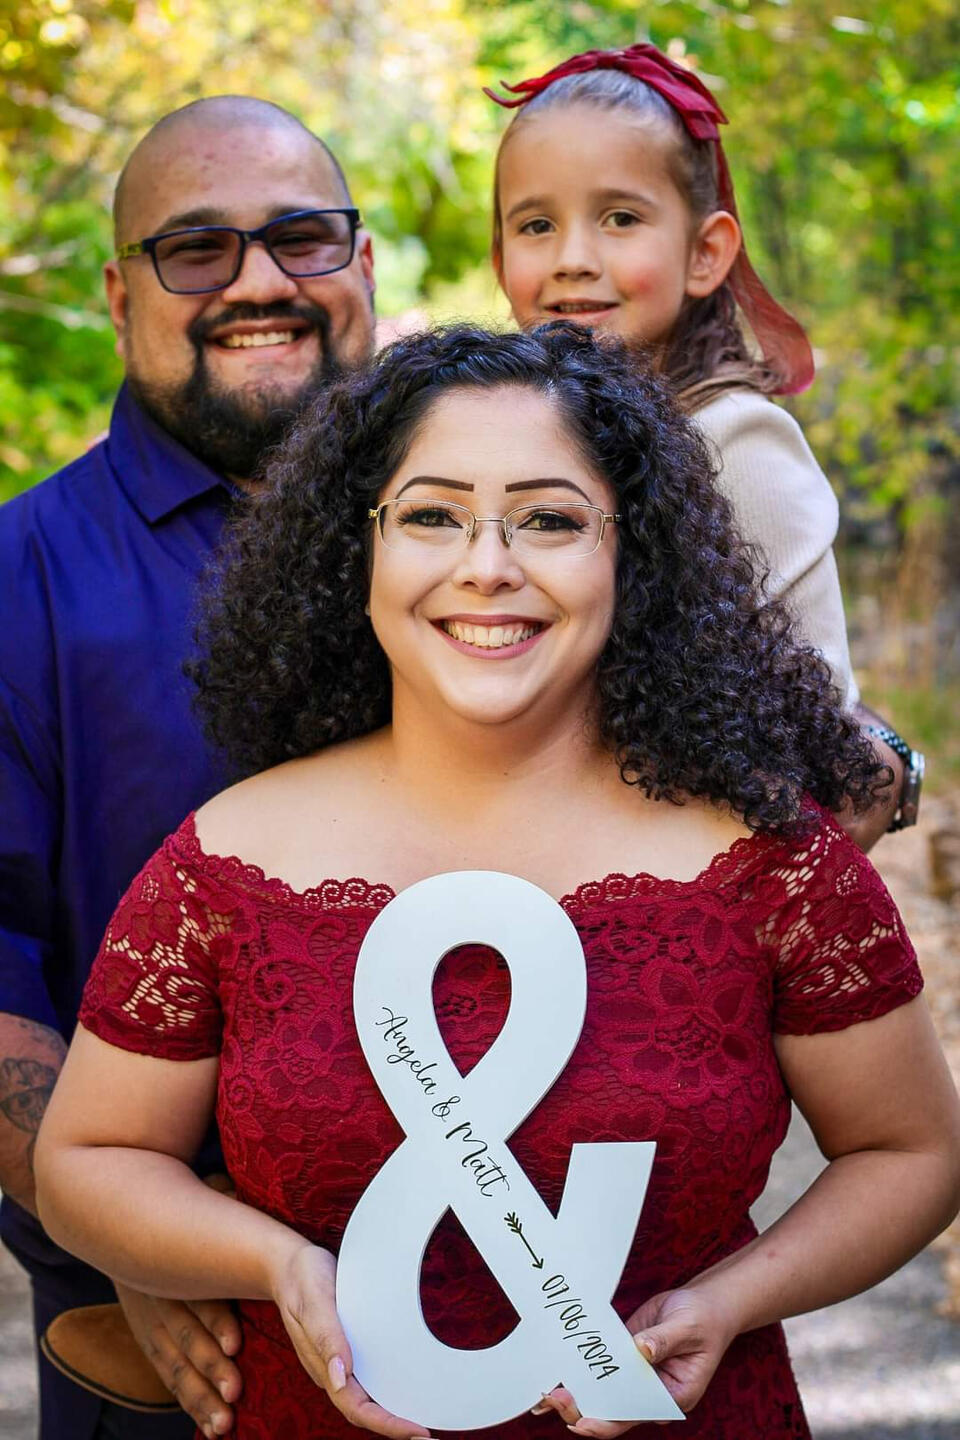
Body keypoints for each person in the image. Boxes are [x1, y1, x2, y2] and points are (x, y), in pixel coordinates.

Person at [33, 324, 960, 1440]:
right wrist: (271, 1262)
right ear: (357, 548)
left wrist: (729, 1303)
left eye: (550, 520)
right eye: (431, 516)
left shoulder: (774, 859)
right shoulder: (222, 863)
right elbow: (89, 1161)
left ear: (632, 555)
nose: (487, 565)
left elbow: (912, 1151)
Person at [0, 94, 376, 1440]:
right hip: (179, 1361)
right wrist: (134, 1235)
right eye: (197, 249)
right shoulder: (17, 582)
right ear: (119, 297)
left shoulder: (493, 531)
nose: (259, 282)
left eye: (301, 237)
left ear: (363, 264)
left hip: (521, 1309)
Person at [484, 43, 924, 849]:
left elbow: (818, 728)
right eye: (537, 225)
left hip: (711, 854)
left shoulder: (735, 443)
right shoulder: (517, 441)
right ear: (500, 256)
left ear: (705, 253)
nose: (573, 259)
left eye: (620, 219)